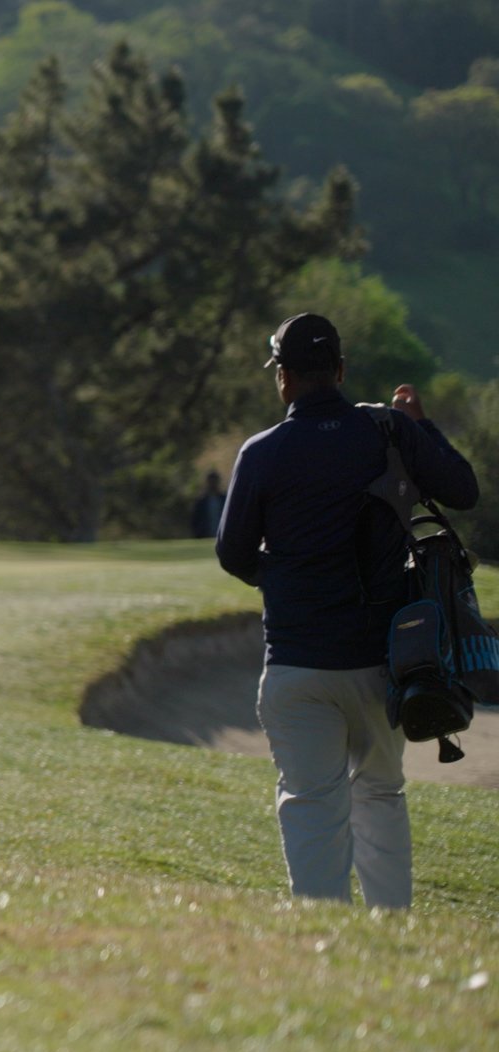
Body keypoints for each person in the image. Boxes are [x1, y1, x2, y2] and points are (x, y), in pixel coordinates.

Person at [216, 312, 478, 907]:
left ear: (283, 379)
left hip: (297, 664)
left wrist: (284, 583)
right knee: (381, 793)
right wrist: (422, 427)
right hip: (382, 666)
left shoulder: (261, 453)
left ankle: (321, 936)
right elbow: (463, 491)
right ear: (339, 370)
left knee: (311, 801)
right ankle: (391, 932)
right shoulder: (390, 431)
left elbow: (233, 553)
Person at [190, 470, 226, 539]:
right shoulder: (201, 501)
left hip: (222, 536)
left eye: (214, 481)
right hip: (205, 536)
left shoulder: (224, 499)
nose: (213, 484)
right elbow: (195, 520)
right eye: (211, 482)